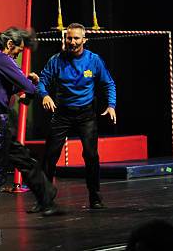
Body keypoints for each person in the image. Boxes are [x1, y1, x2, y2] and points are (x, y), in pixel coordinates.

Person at [0, 27, 58, 230]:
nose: (17, 56)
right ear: (9, 45)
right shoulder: (2, 59)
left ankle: (46, 196)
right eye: (18, 52)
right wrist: (33, 82)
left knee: (22, 158)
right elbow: (28, 86)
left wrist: (22, 86)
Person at [35, 23, 116, 210]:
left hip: (86, 114)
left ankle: (94, 197)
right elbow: (42, 82)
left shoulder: (94, 60)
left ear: (84, 40)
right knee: (49, 155)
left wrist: (111, 105)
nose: (72, 41)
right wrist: (45, 95)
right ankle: (44, 199)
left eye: (76, 38)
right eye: (69, 38)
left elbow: (109, 83)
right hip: (62, 113)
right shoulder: (56, 60)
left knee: (91, 155)